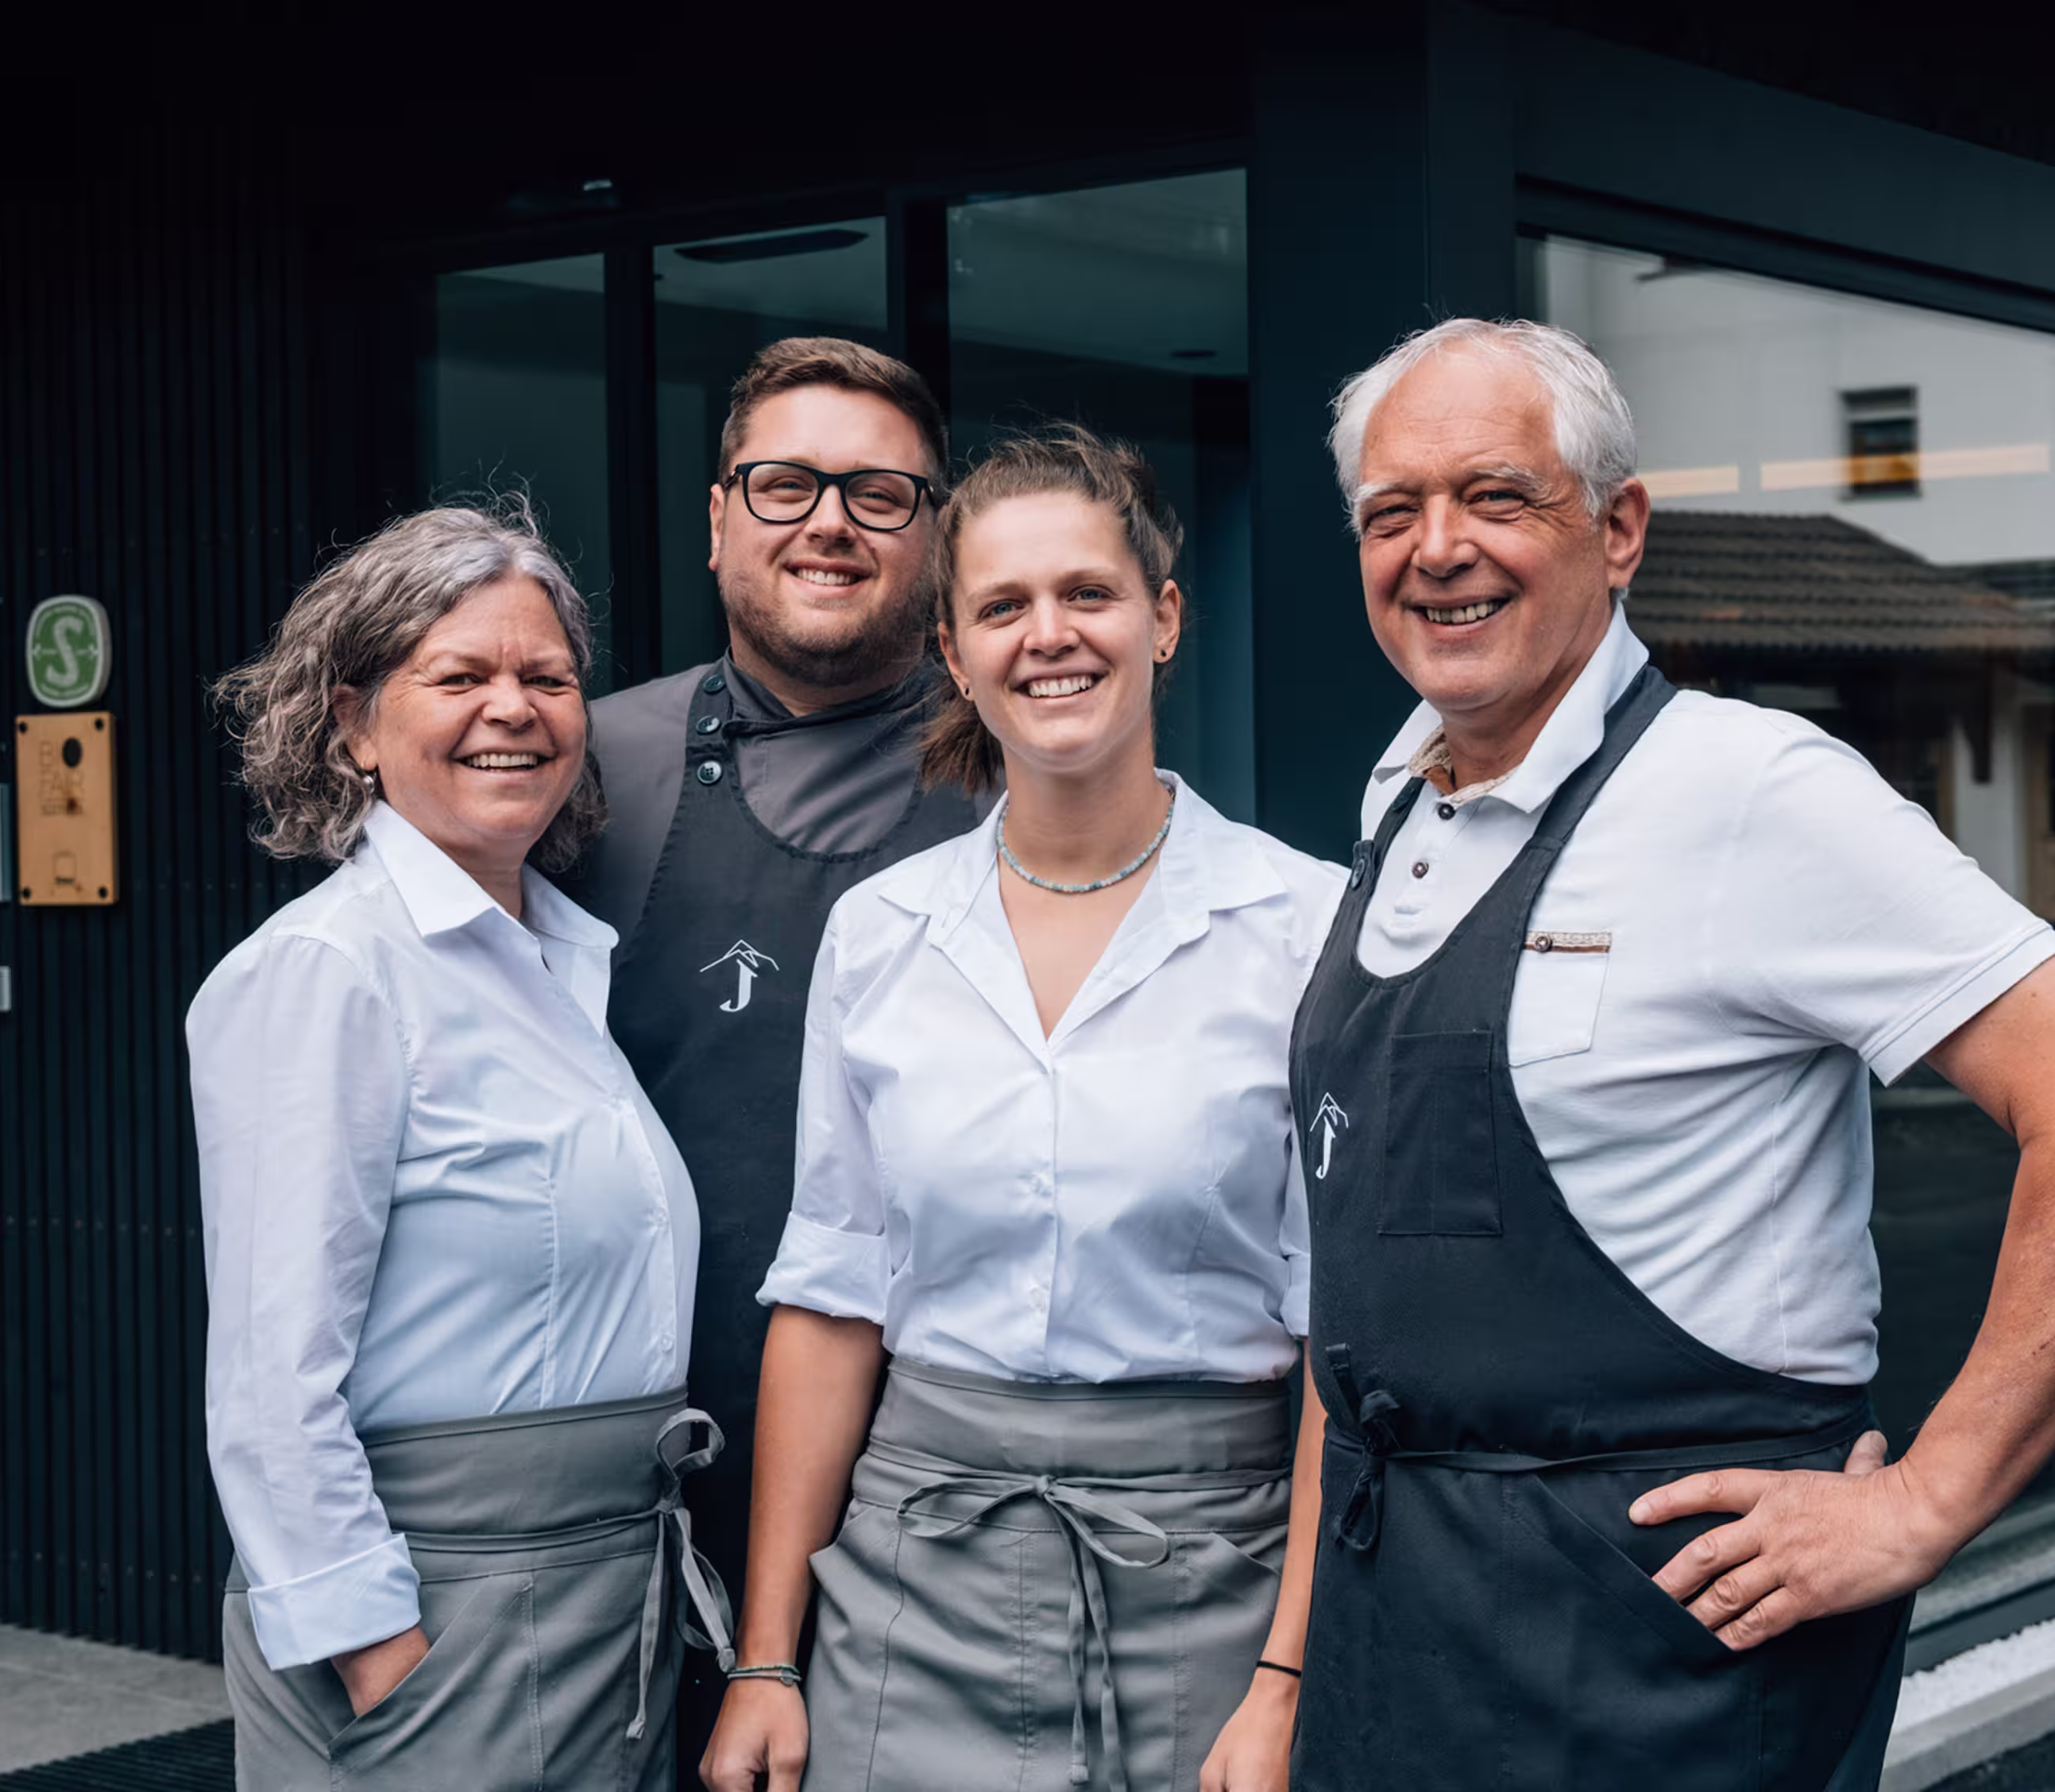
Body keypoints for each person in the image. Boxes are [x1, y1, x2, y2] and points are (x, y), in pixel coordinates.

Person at [1284, 322, 2055, 1791]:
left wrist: (1923, 1504)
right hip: (1395, 1621)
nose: (1438, 548)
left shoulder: (1748, 790)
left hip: (1659, 1645)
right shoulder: (1397, 803)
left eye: (1496, 497)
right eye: (1391, 512)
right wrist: (1289, 1669)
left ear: (1619, 530)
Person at [701, 427, 1338, 1792]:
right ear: (955, 649)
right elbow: (829, 1299)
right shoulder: (879, 932)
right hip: (912, 1576)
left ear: (1162, 618)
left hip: (1209, 1579)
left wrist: (1287, 1674)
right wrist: (766, 1658)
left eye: (1087, 594)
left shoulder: (1306, 925)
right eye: (1003, 606)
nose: (1049, 636)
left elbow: (1346, 1335)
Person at [193, 503, 728, 1791]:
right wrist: (384, 1650)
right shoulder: (327, 973)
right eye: (461, 676)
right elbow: (273, 1386)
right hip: (442, 1618)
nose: (515, 707)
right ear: (356, 722)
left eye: (546, 677)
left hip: (604, 1597)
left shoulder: (559, 957)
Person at [564, 342, 986, 1768]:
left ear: (937, 532)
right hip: (626, 1484)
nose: (828, 521)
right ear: (715, 518)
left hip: (936, 1497)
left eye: (879, 493)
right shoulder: (583, 771)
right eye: (786, 482)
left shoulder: (1033, 776)